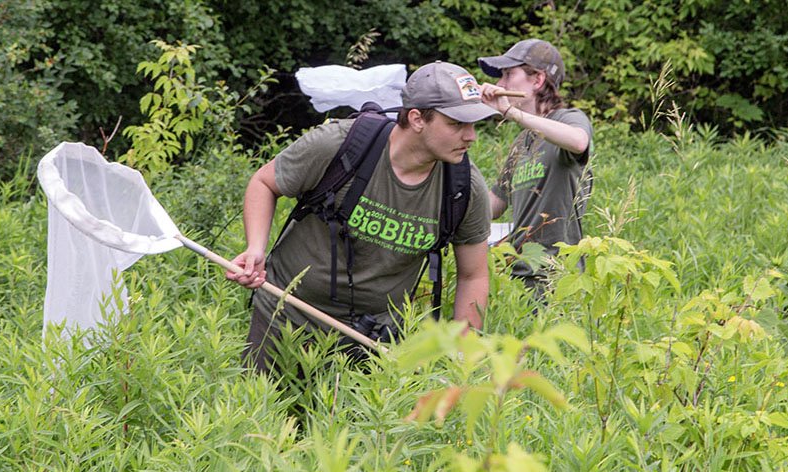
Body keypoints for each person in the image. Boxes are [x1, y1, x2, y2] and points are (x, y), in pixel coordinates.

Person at [226, 61, 497, 373]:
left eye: (474, 124)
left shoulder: (464, 187)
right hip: (286, 317)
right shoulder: (338, 145)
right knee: (264, 418)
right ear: (417, 118)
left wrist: (462, 351)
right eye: (457, 124)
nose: (471, 136)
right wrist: (256, 248)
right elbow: (264, 182)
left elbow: (473, 275)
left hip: (374, 340)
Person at [477, 39, 593, 289]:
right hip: (519, 274)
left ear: (537, 80)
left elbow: (579, 141)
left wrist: (512, 113)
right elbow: (493, 206)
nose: (500, 84)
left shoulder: (570, 119)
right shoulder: (521, 141)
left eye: (508, 74)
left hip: (558, 275)